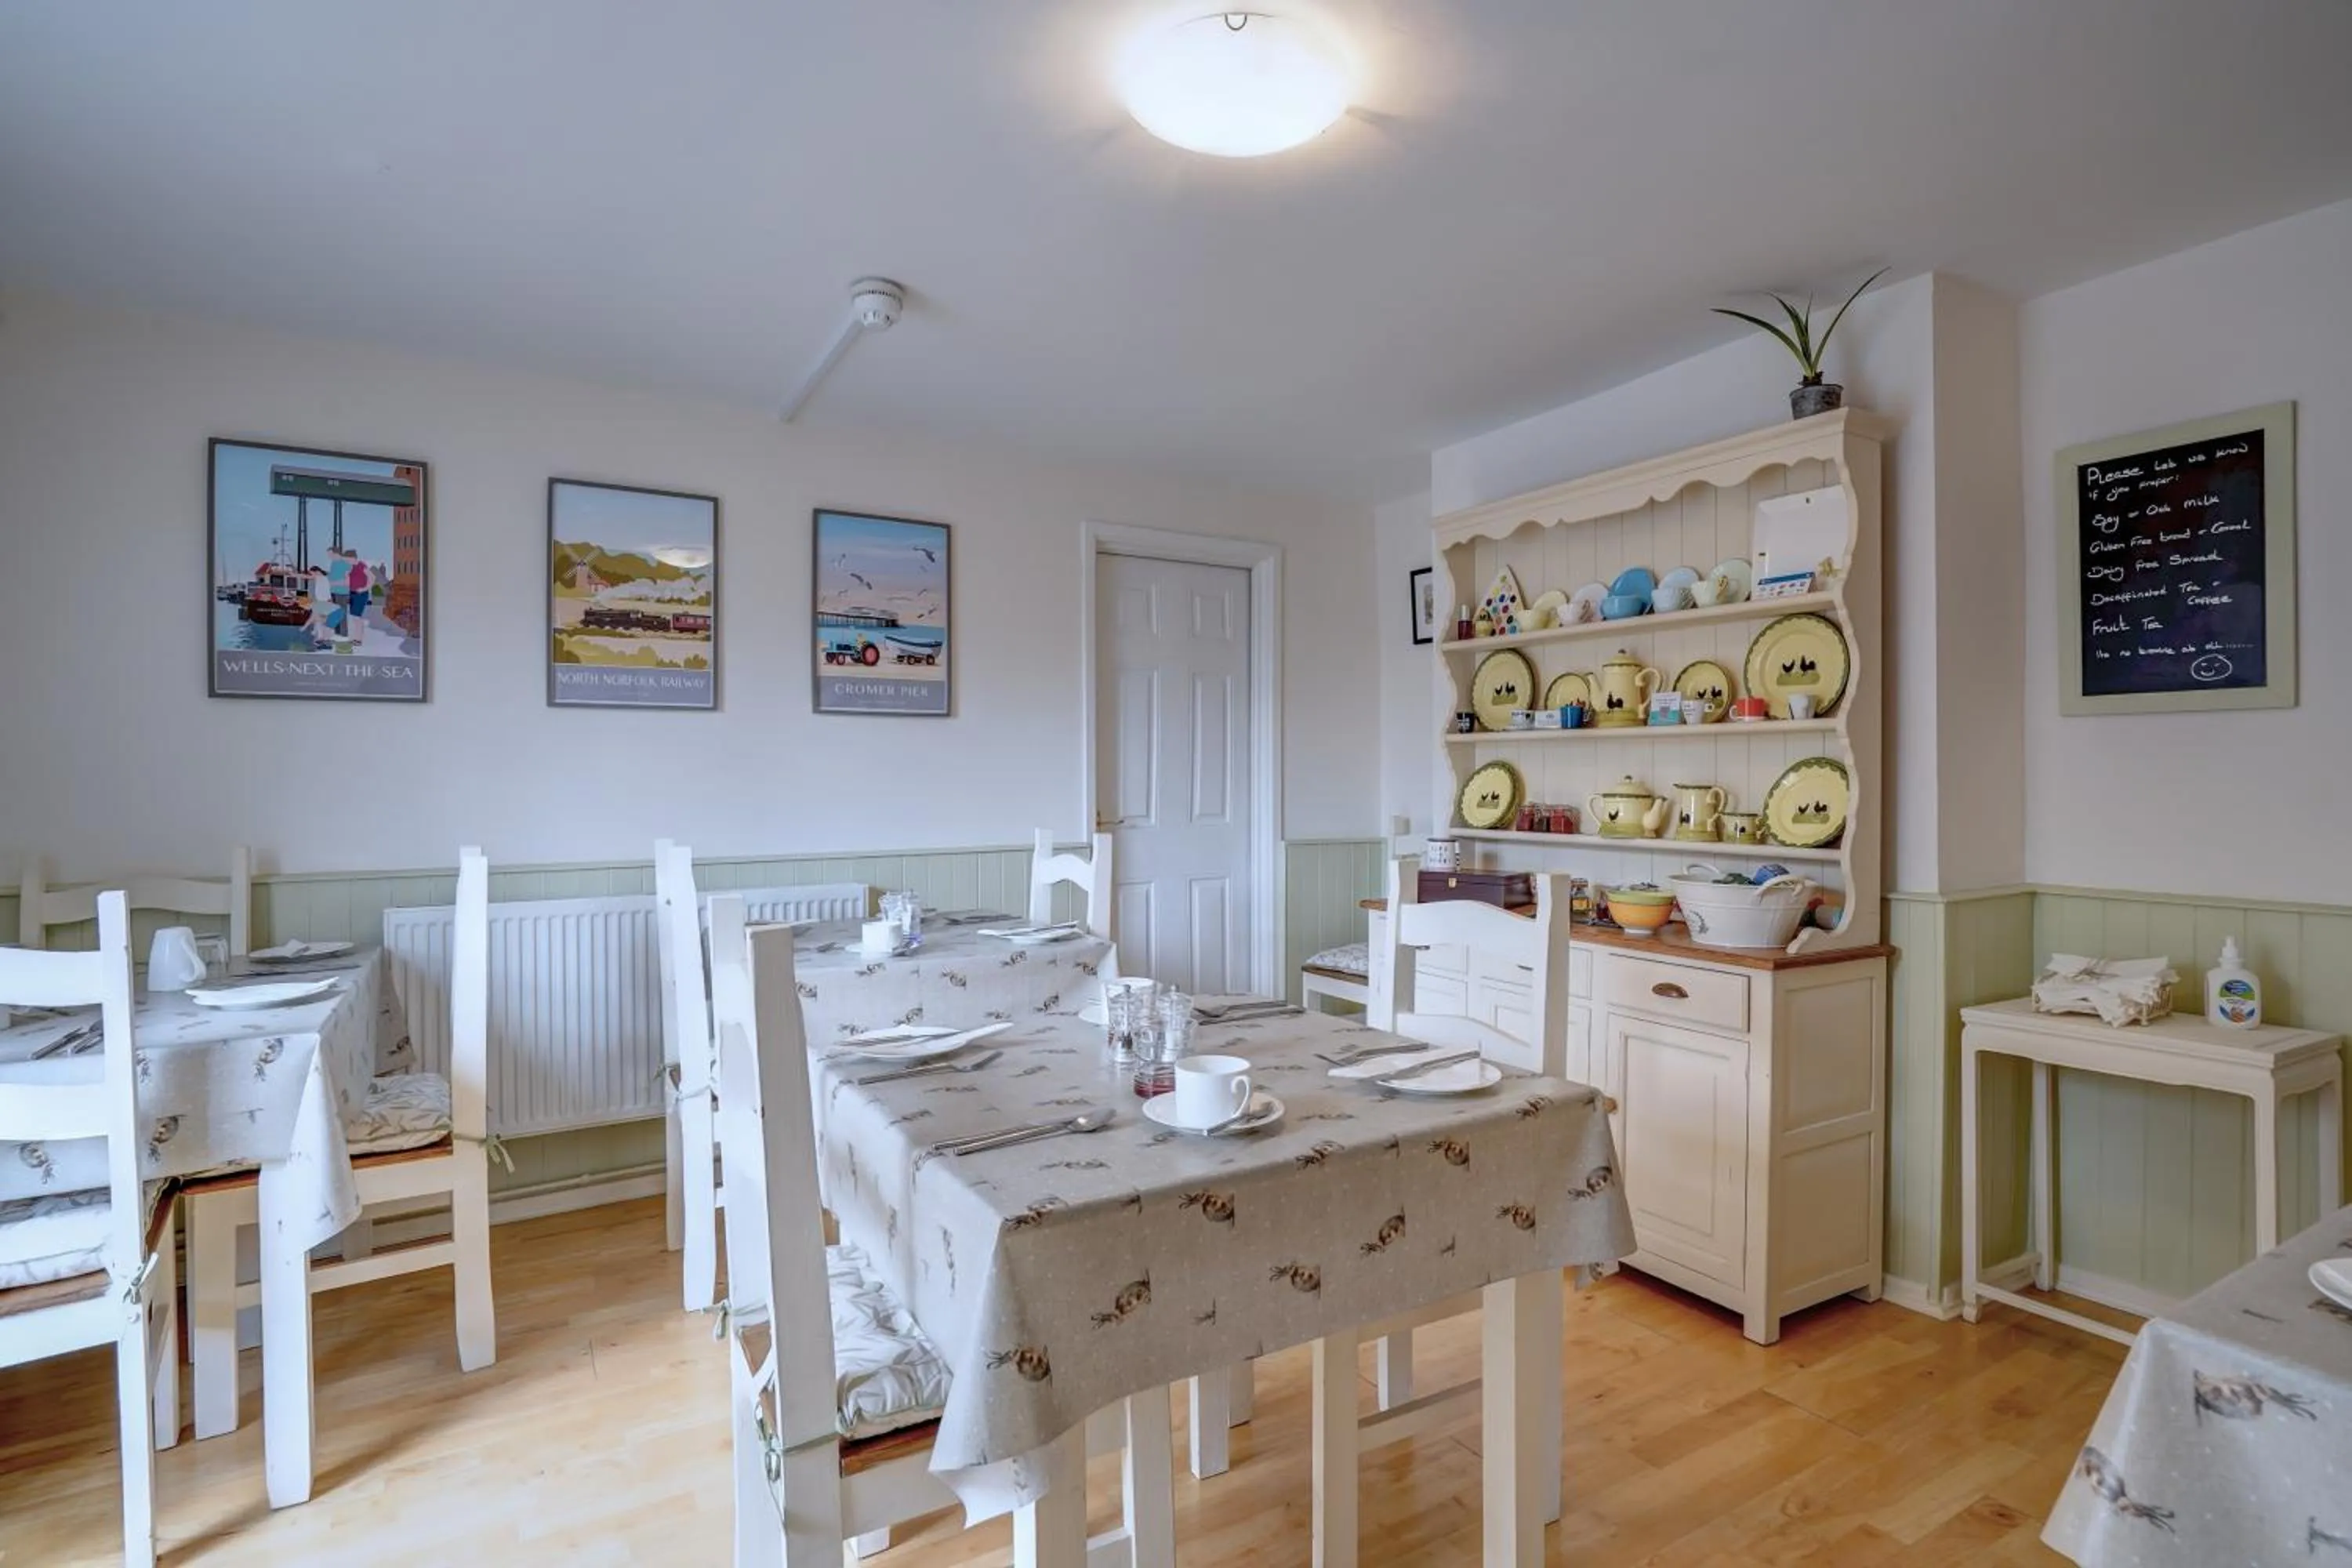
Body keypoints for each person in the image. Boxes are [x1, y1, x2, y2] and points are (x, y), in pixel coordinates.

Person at [344, 550, 371, 644]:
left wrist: (364, 589)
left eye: (347, 560)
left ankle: (358, 640)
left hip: (361, 594)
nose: (346, 562)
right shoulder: (350, 568)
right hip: (352, 593)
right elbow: (347, 583)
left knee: (357, 617)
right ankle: (355, 638)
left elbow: (372, 577)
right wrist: (347, 575)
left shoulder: (361, 565)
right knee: (354, 617)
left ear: (353, 558)